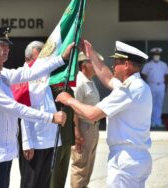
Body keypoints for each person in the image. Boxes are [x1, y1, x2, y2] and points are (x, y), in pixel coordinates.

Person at [0, 37, 74, 188]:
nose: (3, 61)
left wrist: (61, 59)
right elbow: (16, 108)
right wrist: (50, 117)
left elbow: (28, 73)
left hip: (1, 155)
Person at [56, 40, 152, 188]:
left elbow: (92, 114)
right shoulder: (138, 85)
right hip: (136, 157)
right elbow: (107, 77)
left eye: (116, 62)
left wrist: (69, 100)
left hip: (125, 160)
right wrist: (91, 52)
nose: (113, 66)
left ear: (126, 65)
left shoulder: (128, 90)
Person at [11, 41, 59, 188]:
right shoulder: (22, 77)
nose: (42, 63)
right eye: (39, 59)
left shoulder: (46, 75)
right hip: (34, 140)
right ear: (28, 59)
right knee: (30, 183)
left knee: (44, 182)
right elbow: (23, 112)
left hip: (49, 138)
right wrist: (27, 143)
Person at [70, 52, 102, 188]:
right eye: (93, 62)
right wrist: (77, 134)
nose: (97, 65)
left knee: (88, 165)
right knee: (80, 166)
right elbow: (73, 110)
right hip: (83, 128)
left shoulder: (89, 81)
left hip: (92, 127)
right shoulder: (79, 82)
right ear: (84, 65)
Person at [141, 47, 168, 128]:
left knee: (159, 104)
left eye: (158, 54)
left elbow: (167, 75)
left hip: (161, 85)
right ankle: (151, 122)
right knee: (151, 104)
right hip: (151, 85)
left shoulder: (163, 65)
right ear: (152, 55)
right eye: (155, 54)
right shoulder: (148, 65)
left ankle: (158, 121)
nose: (156, 56)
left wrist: (166, 86)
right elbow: (143, 76)